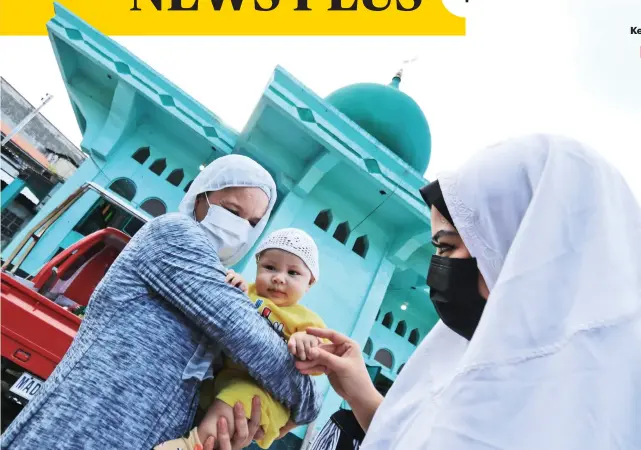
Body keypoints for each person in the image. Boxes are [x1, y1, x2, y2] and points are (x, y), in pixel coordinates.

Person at [297, 134, 641, 449]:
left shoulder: (593, 409)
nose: (437, 267)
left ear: (518, 247)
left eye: (446, 248)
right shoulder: (460, 359)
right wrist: (361, 393)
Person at [1, 155, 322, 450]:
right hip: (85, 425)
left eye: (252, 223)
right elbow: (248, 336)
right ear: (201, 196)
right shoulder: (174, 235)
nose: (240, 227)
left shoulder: (222, 279)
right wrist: (308, 401)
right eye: (233, 211)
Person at [156, 228, 327, 450]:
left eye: (293, 273)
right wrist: (233, 282)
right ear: (257, 265)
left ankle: (191, 446)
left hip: (263, 395)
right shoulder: (249, 292)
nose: (278, 278)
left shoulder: (307, 321)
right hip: (223, 379)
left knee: (233, 401)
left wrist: (308, 343)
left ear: (310, 282)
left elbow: (321, 362)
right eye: (270, 267)